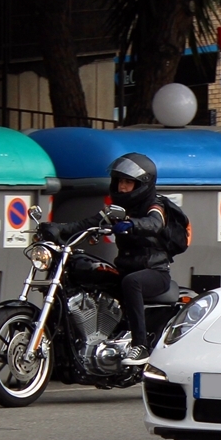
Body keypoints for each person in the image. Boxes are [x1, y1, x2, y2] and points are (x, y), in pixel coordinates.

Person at [39, 153, 172, 366]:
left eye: (128, 182)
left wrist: (132, 224)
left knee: (132, 282)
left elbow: (154, 223)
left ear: (142, 184)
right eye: (119, 181)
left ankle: (140, 346)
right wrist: (57, 228)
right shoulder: (116, 210)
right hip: (125, 269)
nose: (122, 187)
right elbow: (85, 223)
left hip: (155, 272)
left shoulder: (155, 205)